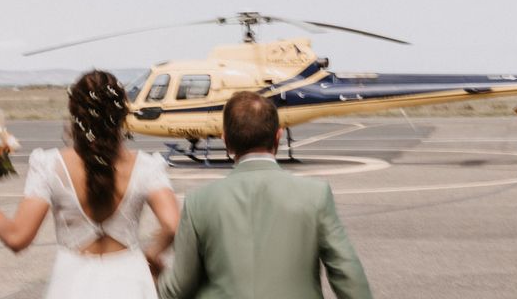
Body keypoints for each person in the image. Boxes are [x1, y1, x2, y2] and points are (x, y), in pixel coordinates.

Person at [0, 70, 179, 299]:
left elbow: (18, 238)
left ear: (74, 114)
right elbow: (173, 225)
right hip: (130, 281)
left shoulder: (50, 165)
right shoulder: (146, 167)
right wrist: (151, 255)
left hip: (72, 283)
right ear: (122, 114)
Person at [159, 91, 372, 299]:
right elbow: (347, 273)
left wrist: (150, 277)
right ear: (278, 136)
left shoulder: (198, 202)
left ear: (226, 141)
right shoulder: (316, 195)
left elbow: (179, 287)